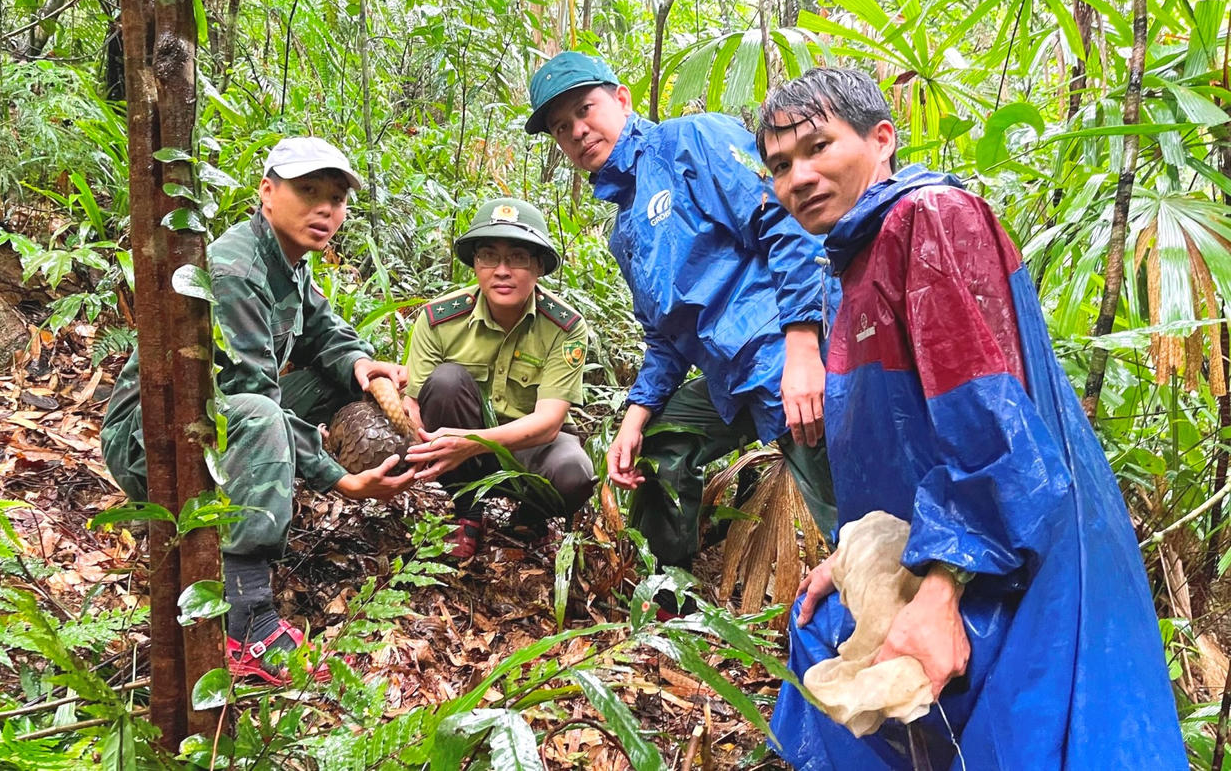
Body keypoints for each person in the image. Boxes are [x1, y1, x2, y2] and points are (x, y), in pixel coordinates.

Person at [757, 68, 1185, 768]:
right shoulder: (852, 261)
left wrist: (942, 589)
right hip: (954, 542)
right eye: (780, 165)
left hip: (1012, 544)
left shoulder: (926, 219)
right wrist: (853, 555)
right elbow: (901, 441)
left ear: (882, 139)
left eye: (817, 148)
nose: (798, 176)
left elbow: (988, 419)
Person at [525, 51, 839, 615]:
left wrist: (803, 352)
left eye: (584, 109)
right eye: (560, 127)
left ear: (620, 99)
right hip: (728, 377)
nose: (576, 130)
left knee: (848, 514)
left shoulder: (690, 142)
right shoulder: (624, 229)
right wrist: (633, 420)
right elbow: (665, 338)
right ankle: (669, 601)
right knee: (662, 442)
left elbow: (790, 227)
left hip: (788, 356)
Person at [101, 137, 414, 685]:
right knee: (262, 416)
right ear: (267, 193)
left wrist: (362, 365)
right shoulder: (237, 270)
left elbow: (322, 331)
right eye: (308, 191)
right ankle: (248, 619)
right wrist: (342, 481)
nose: (325, 209)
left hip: (210, 417)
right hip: (145, 440)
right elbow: (256, 400)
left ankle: (252, 523)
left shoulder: (288, 261)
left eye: (336, 198)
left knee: (318, 381)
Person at [401, 197, 596, 560]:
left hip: (533, 447)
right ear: (475, 264)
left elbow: (549, 423)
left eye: (518, 258)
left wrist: (476, 441)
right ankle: (467, 511)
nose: (502, 270)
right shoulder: (439, 319)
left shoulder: (565, 327)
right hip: (461, 449)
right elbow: (413, 406)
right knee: (445, 383)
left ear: (539, 266)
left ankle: (531, 518)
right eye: (488, 256)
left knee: (575, 474)